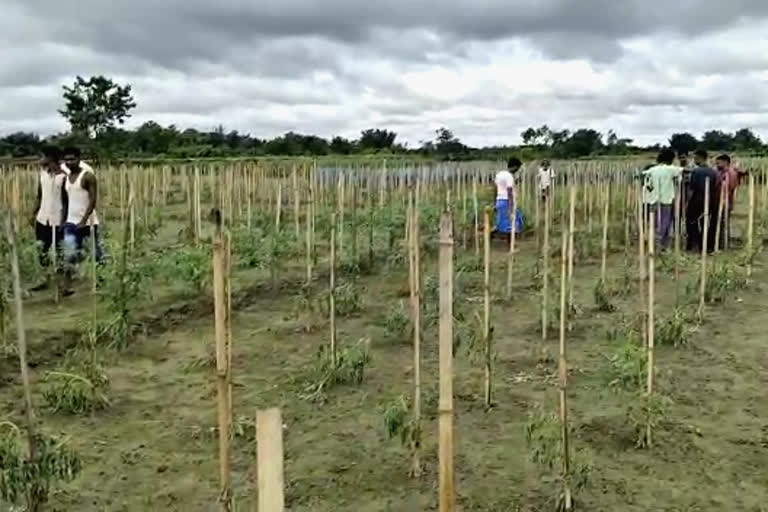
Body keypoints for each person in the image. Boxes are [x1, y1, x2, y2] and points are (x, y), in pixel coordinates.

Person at [61, 147, 103, 296]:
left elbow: (93, 200)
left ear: (79, 159)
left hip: (89, 222)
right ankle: (67, 287)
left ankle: (101, 280)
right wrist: (63, 220)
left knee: (96, 253)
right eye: (66, 159)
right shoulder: (66, 178)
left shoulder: (88, 176)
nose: (69, 162)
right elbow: (66, 201)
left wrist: (84, 220)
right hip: (71, 223)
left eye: (72, 159)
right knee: (69, 254)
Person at [29, 145, 68, 291]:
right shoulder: (43, 174)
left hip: (57, 220)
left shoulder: (63, 177)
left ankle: (61, 282)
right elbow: (39, 196)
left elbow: (65, 201)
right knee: (42, 251)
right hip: (42, 218)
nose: (41, 159)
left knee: (59, 252)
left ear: (51, 159)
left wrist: (63, 220)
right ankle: (45, 279)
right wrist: (33, 213)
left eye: (43, 156)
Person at [644, 148, 682, 249]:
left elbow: (643, 177)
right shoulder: (670, 169)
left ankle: (655, 241)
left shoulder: (652, 170)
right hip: (666, 200)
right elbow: (683, 171)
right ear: (670, 159)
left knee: (655, 222)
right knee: (665, 222)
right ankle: (660, 243)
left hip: (652, 200)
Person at [686, 150, 720, 253]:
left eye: (696, 158)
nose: (695, 160)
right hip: (710, 202)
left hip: (696, 201)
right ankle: (705, 245)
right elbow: (715, 187)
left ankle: (693, 244)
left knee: (692, 223)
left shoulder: (696, 172)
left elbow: (691, 189)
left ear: (701, 158)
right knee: (705, 223)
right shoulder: (714, 172)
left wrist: (687, 202)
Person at [493, 157, 522, 239]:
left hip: (499, 201)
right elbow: (509, 191)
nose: (517, 170)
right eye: (518, 168)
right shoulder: (509, 176)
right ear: (515, 166)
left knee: (503, 223)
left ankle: (492, 235)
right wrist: (511, 207)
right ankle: (510, 245)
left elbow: (495, 189)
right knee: (512, 223)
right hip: (507, 201)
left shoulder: (499, 174)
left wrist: (495, 203)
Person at [714, 154, 739, 246]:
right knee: (719, 222)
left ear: (725, 162)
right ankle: (719, 242)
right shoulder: (720, 172)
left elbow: (730, 187)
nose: (716, 164)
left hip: (725, 201)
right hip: (717, 201)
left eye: (718, 163)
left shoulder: (731, 173)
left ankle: (723, 243)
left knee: (723, 223)